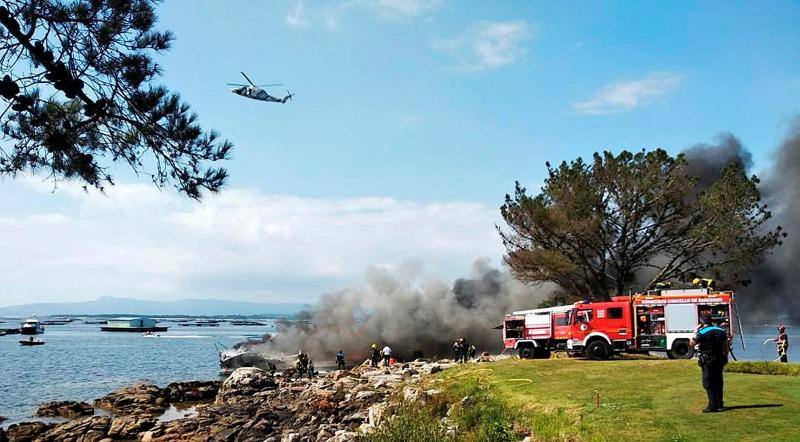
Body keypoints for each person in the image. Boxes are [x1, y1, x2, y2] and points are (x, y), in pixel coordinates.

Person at [691, 319, 729, 412]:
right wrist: (725, 357)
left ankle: (712, 405)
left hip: (708, 360)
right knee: (718, 381)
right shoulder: (721, 331)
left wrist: (694, 332)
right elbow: (726, 346)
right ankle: (720, 404)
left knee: (708, 382)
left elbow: (692, 343)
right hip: (720, 359)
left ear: (702, 323)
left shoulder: (703, 332)